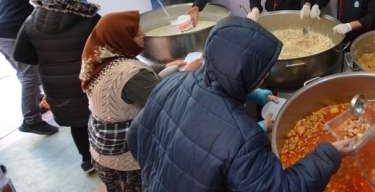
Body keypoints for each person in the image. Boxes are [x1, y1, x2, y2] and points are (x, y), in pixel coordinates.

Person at [127, 16, 355, 191]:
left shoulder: (173, 81)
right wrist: (328, 154)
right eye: (263, 71)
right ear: (244, 72)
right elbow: (281, 188)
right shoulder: (244, 138)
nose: (265, 76)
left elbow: (135, 135)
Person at [79, 11, 198, 191]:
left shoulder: (99, 59)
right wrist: (189, 72)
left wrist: (167, 67)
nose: (143, 35)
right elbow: (168, 100)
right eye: (135, 34)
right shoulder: (130, 73)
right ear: (120, 38)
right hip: (126, 162)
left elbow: (136, 82)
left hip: (102, 152)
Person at [13, 0, 100, 173]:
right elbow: (106, 48)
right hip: (88, 81)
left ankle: (87, 160)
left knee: (76, 123)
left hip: (56, 86)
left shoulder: (31, 20)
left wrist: (49, 61)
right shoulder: (89, 18)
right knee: (99, 118)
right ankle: (105, 157)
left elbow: (22, 55)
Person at [0, 0, 57, 135]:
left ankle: (38, 101)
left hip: (3, 35)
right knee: (29, 75)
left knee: (23, 73)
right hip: (14, 34)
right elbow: (44, 6)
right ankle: (31, 120)